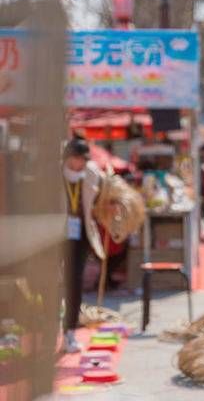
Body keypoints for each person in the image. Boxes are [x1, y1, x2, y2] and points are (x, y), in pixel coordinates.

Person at [61, 137, 106, 353]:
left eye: (82, 159)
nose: (79, 163)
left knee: (75, 282)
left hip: (80, 235)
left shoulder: (92, 173)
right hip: (55, 236)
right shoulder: (54, 175)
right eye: (75, 158)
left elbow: (105, 195)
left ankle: (70, 331)